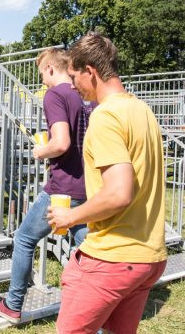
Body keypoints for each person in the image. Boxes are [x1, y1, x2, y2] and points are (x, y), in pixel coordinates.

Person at [48, 32, 167, 333]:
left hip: (113, 257)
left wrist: (70, 216)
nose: (72, 86)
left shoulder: (106, 116)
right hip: (148, 257)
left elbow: (118, 194)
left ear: (91, 71)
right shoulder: (143, 110)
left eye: (74, 76)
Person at [0, 48, 95, 324]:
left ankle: (12, 304)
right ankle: (104, 304)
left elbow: (61, 143)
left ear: (49, 68)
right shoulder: (86, 98)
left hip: (62, 190)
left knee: (24, 239)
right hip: (88, 187)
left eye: (41, 74)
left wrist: (41, 151)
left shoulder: (55, 95)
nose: (42, 81)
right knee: (89, 249)